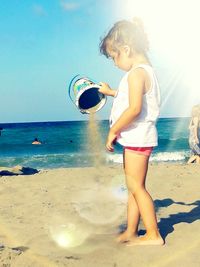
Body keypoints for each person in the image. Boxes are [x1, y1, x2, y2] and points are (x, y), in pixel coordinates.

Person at [98, 18, 164, 246]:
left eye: (115, 56)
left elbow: (135, 108)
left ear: (127, 49)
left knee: (137, 187)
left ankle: (153, 234)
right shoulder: (144, 72)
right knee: (132, 187)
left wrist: (113, 130)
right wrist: (110, 92)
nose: (115, 63)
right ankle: (131, 231)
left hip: (137, 138)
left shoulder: (137, 74)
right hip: (137, 138)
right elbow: (129, 97)